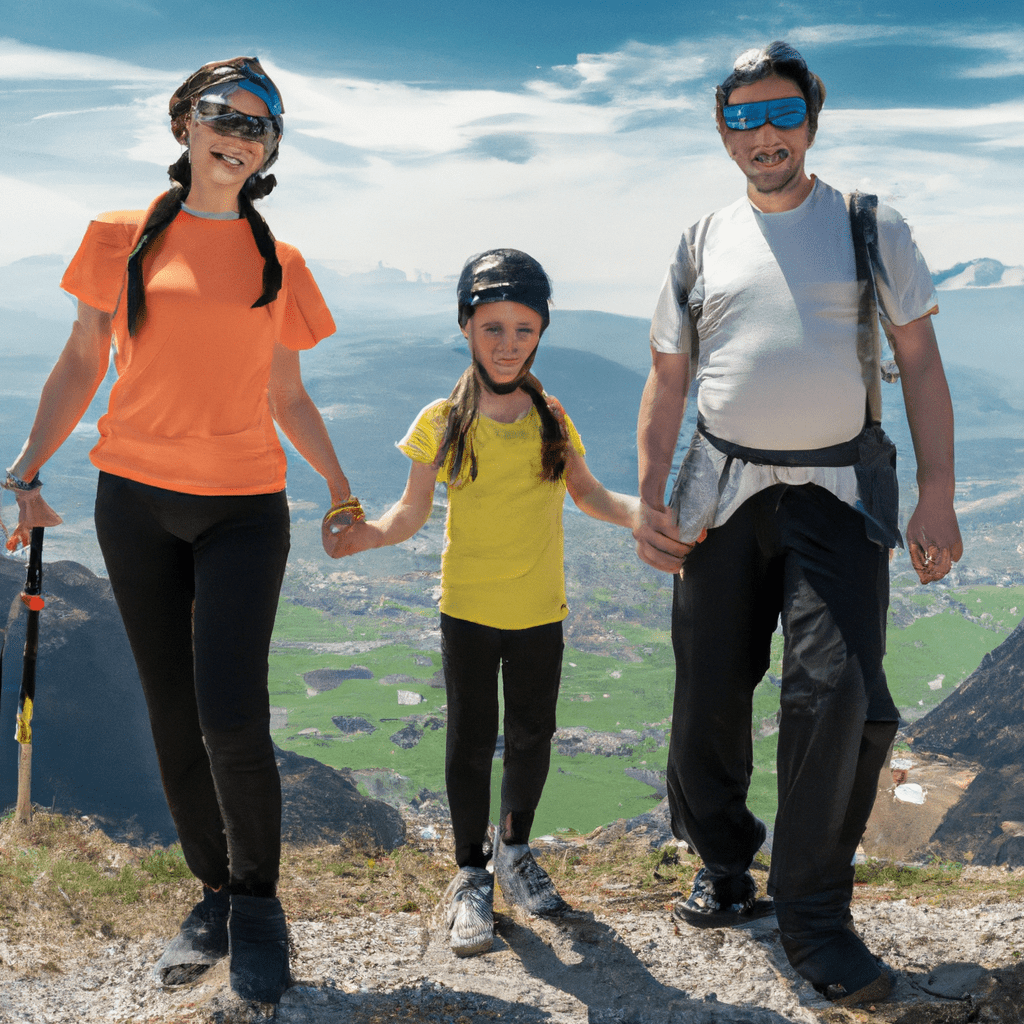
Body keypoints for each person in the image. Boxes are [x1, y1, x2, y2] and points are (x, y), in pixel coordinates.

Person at [2, 57, 360, 1004]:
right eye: (221, 115)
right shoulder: (117, 237)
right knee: (170, 715)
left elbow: (287, 392)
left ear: (271, 149)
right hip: (134, 502)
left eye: (259, 124)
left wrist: (336, 482)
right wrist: (27, 473)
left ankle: (259, 906)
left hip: (245, 507)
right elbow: (83, 359)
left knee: (231, 715)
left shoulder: (282, 263)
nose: (237, 133)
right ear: (184, 125)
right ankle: (212, 893)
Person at [632, 42, 962, 1007]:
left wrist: (936, 493)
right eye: (743, 118)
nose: (763, 134)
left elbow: (924, 364)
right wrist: (651, 496)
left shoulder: (868, 226)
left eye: (781, 114)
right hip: (720, 493)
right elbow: (667, 375)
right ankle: (724, 866)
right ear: (722, 129)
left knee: (840, 692)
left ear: (811, 120)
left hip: (838, 490)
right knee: (706, 698)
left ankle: (814, 914)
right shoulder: (700, 239)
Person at [323, 249, 640, 957]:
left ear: (541, 333)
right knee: (470, 743)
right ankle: (472, 876)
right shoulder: (442, 419)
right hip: (467, 609)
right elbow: (409, 513)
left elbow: (588, 494)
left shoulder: (549, 415)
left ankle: (515, 852)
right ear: (467, 326)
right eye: (492, 327)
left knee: (533, 737)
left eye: (523, 330)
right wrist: (364, 538)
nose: (507, 343)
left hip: (540, 611)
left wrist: (647, 515)